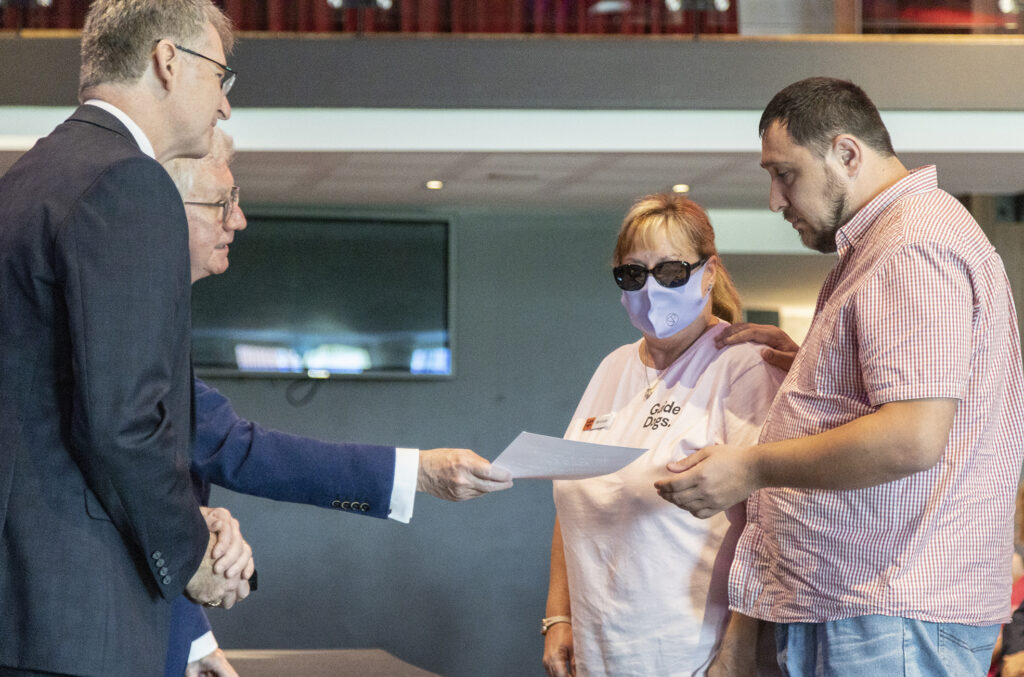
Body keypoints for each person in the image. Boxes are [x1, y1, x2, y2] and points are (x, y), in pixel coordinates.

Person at [656, 77, 1024, 676]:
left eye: (785, 174)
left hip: (892, 609)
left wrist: (750, 467)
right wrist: (814, 366)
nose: (775, 199)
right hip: (878, 607)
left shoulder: (911, 245)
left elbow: (912, 437)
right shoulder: (895, 238)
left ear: (847, 153)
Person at [161, 129, 514, 677]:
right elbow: (226, 450)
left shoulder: (158, 313)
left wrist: (192, 640)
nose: (239, 220)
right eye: (223, 203)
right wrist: (416, 472)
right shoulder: (129, 315)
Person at [0, 2, 254, 674]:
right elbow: (123, 423)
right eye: (222, 79)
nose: (224, 108)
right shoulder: (127, 181)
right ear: (168, 62)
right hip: (78, 622)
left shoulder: (27, 179)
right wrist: (194, 554)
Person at [542, 193, 785, 677]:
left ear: (709, 273)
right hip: (599, 654)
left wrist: (739, 651)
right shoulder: (613, 367)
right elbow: (574, 495)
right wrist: (558, 616)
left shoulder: (743, 366)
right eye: (633, 273)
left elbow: (775, 526)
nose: (651, 288)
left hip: (693, 655)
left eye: (671, 271)